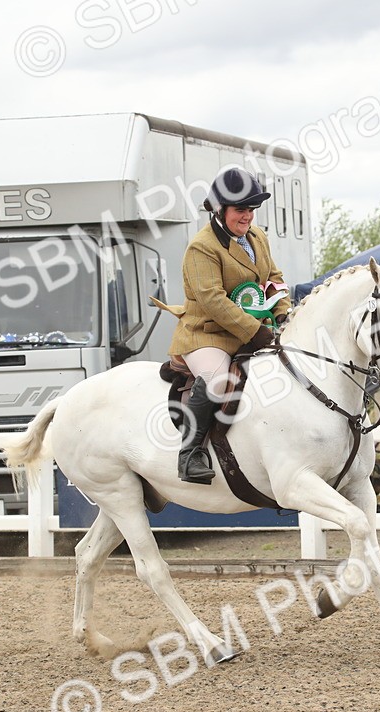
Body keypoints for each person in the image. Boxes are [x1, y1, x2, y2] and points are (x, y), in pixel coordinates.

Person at [165, 165, 291, 484]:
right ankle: (190, 454)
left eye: (251, 209)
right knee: (218, 379)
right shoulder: (202, 247)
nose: (247, 216)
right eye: (240, 209)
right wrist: (256, 331)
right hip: (207, 334)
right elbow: (214, 302)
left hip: (251, 331)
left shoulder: (257, 237)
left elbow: (274, 278)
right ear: (220, 209)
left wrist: (282, 315)